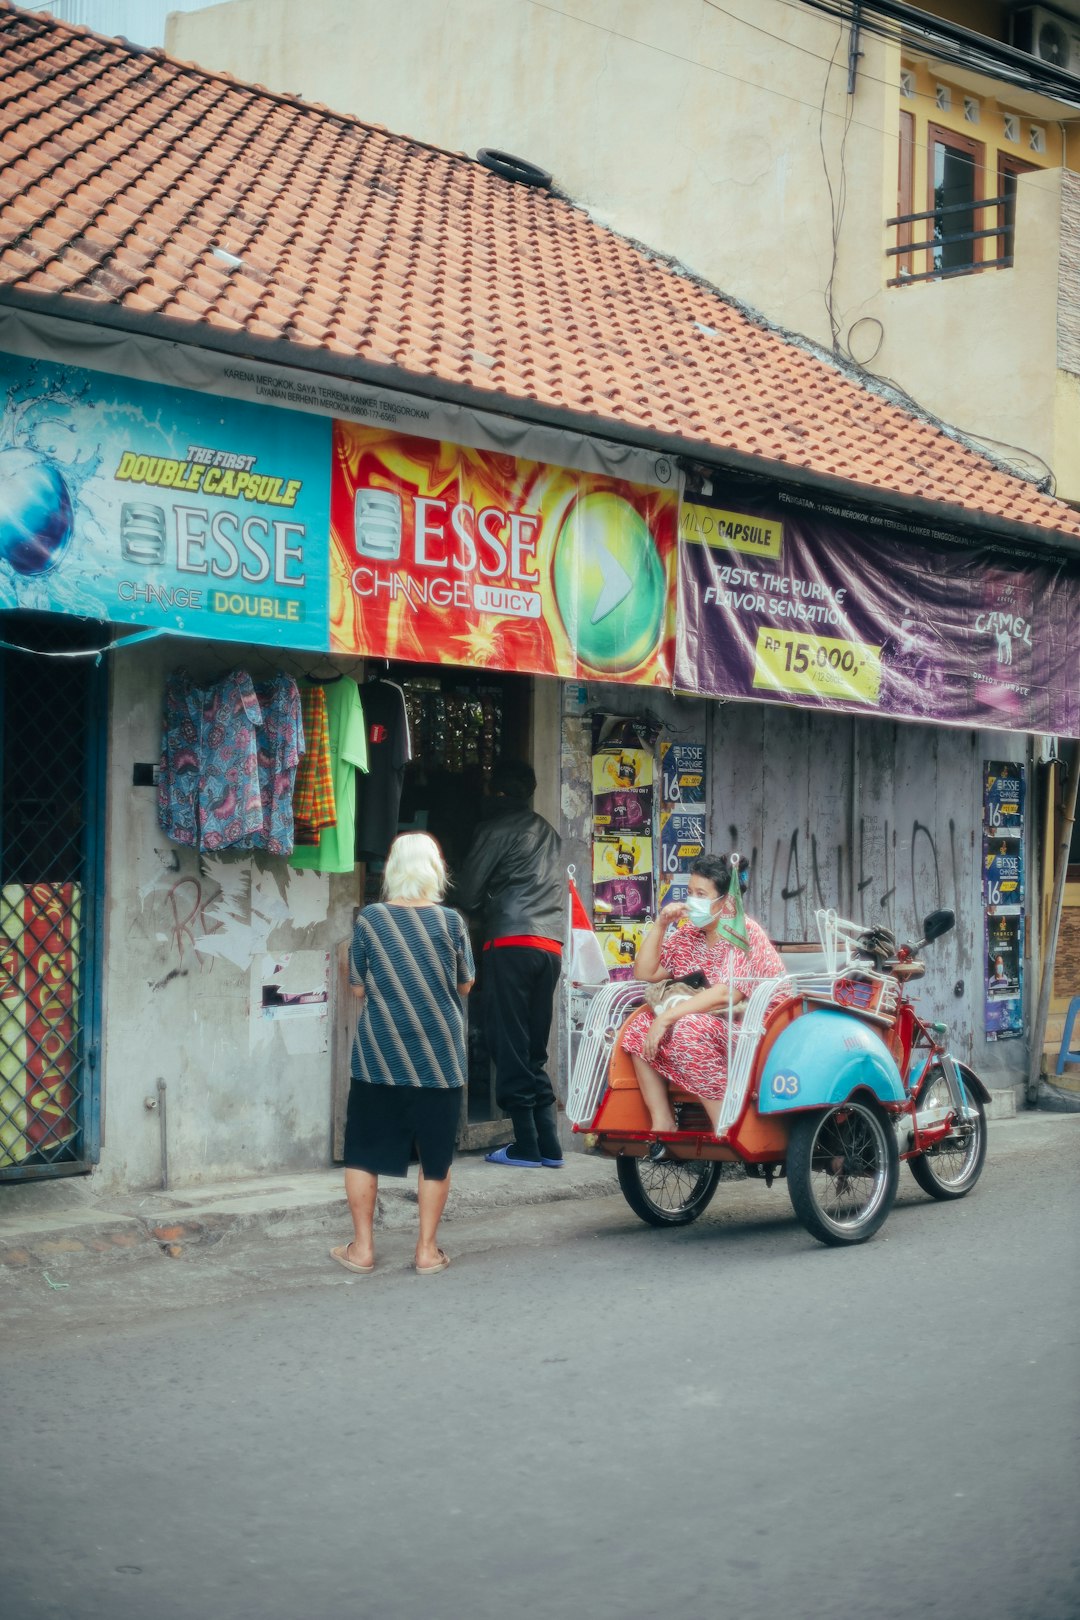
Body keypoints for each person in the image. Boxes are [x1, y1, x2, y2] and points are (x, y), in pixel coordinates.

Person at [331, 832, 474, 1277]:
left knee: (363, 1152)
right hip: (438, 1056)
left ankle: (363, 1250)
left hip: (380, 1054)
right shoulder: (451, 922)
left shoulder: (371, 920)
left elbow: (356, 987)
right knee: (435, 1157)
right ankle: (427, 1251)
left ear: (392, 871)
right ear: (436, 871)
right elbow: (465, 984)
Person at [621, 851, 785, 1158]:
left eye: (701, 894)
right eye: (689, 893)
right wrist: (661, 924)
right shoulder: (688, 935)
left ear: (725, 901)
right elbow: (646, 972)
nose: (691, 901)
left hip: (759, 1032)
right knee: (636, 1028)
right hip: (715, 1024)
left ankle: (726, 1121)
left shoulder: (743, 932)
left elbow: (728, 993)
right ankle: (663, 1120)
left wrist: (667, 1018)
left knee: (689, 1028)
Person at [453, 758, 566, 1169]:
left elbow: (467, 893)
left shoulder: (493, 828)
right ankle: (549, 1146)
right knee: (533, 1047)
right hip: (550, 945)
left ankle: (525, 1146)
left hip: (511, 941)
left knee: (508, 1043)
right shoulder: (550, 834)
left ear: (496, 791)